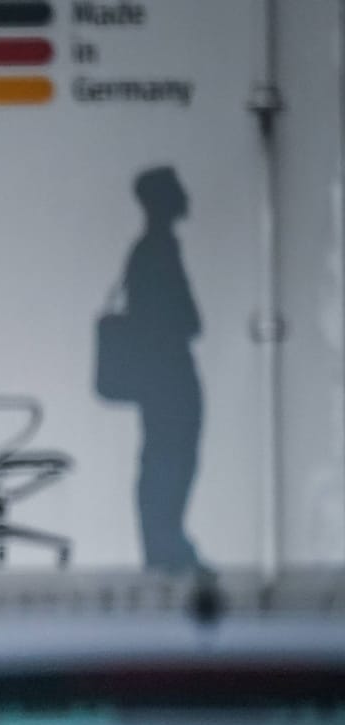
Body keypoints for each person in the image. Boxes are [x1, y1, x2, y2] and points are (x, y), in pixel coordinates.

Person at [115, 166, 204, 572]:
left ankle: (167, 544)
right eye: (178, 190)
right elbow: (186, 320)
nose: (186, 195)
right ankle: (164, 548)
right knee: (170, 460)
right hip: (168, 375)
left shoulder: (155, 247)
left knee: (166, 459)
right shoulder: (157, 250)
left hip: (162, 375)